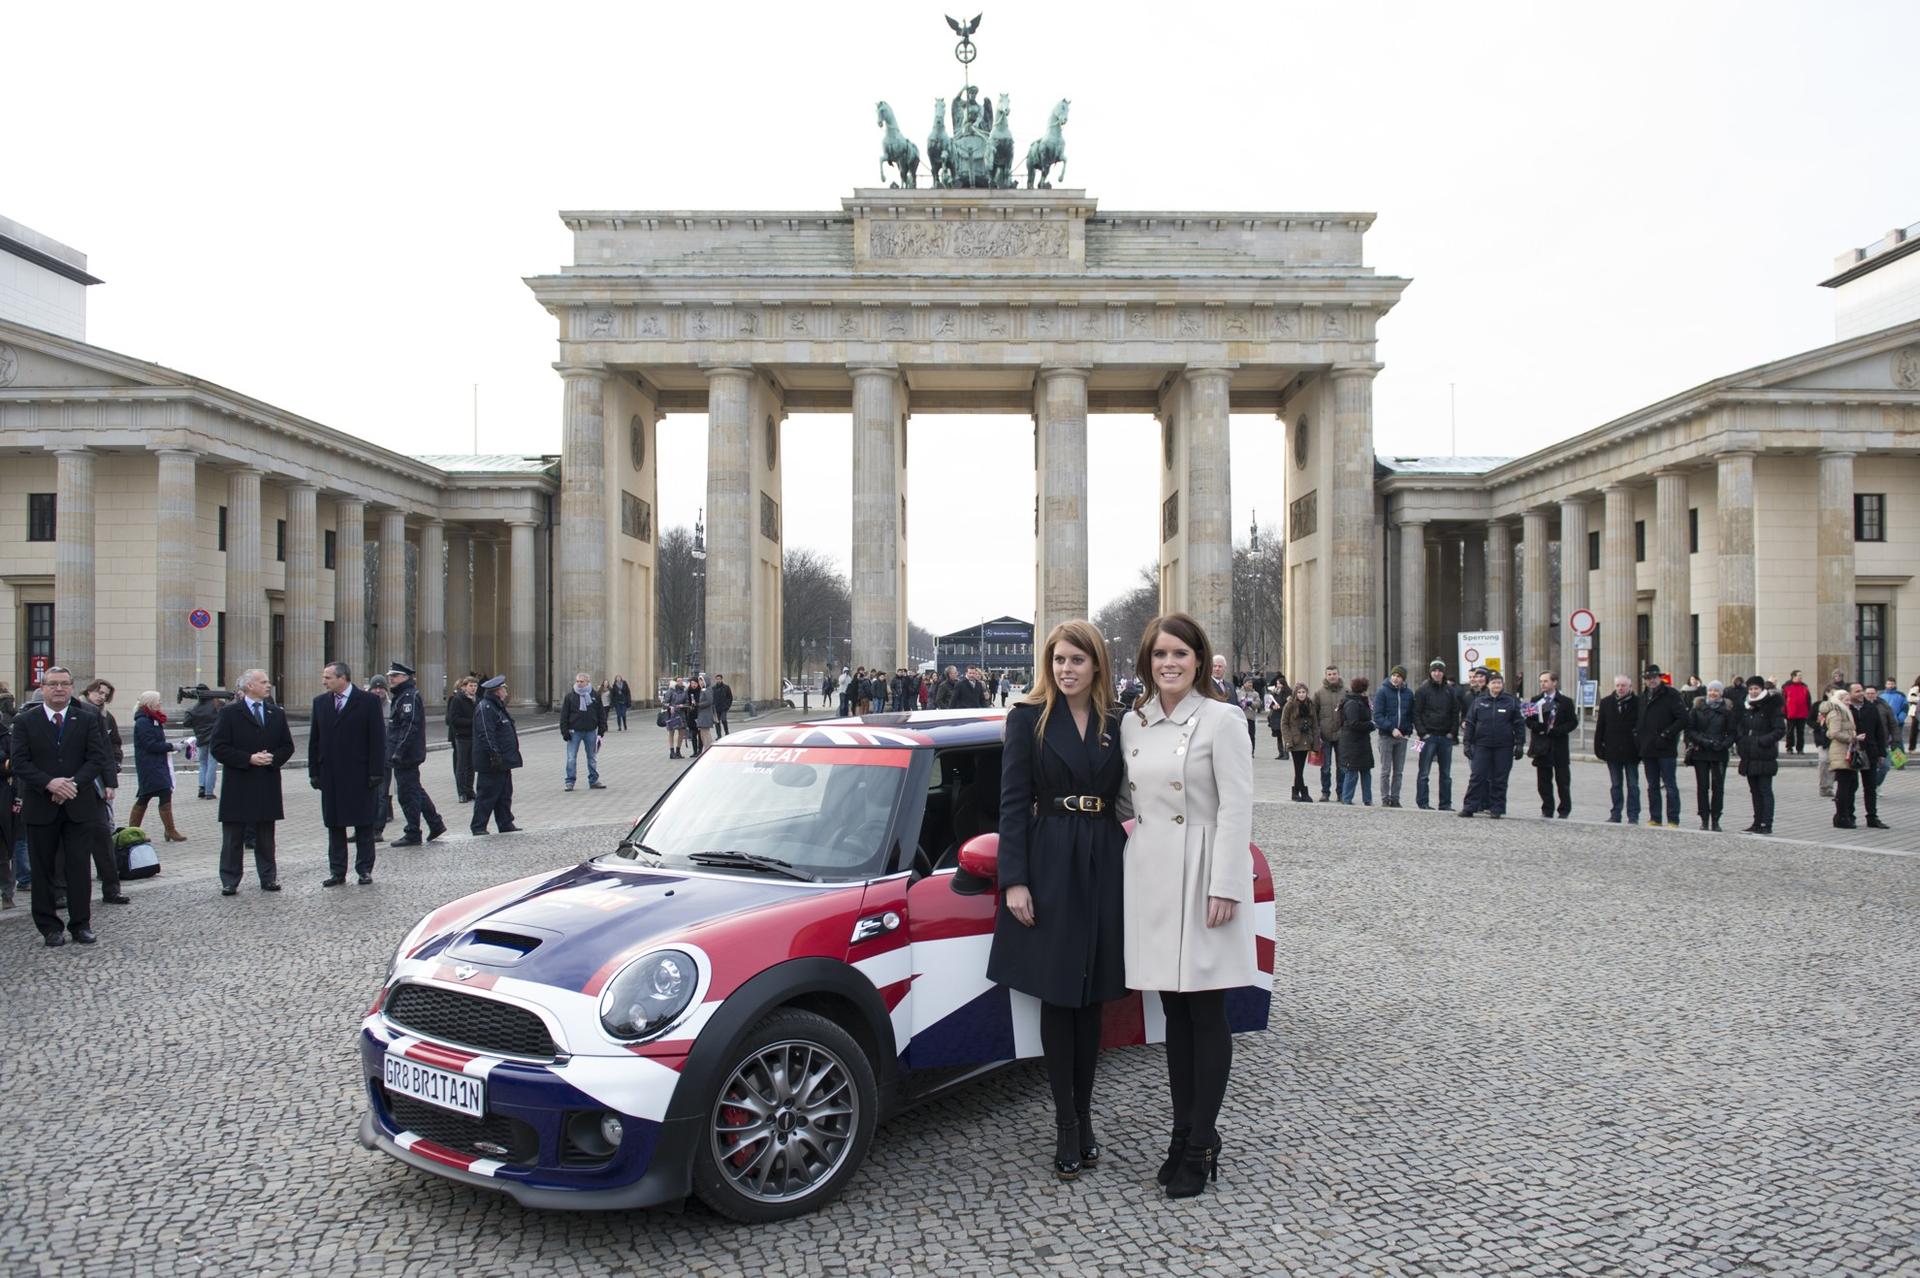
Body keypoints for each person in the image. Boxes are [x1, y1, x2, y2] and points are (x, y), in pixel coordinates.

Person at [1118, 612, 1254, 1199]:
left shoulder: (1223, 719)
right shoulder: (1133, 722)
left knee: (1206, 1012)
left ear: (1199, 659)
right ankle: (1181, 1133)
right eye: (1158, 655)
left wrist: (1225, 883)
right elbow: (1128, 800)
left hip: (1203, 873)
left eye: (1179, 653)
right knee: (1172, 1014)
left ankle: (1200, 1142)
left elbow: (1237, 807)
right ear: (1146, 662)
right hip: (1152, 871)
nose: (1168, 664)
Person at [989, 619, 1126, 1182]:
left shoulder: (1119, 722)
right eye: (1058, 660)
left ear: (1096, 664)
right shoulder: (1026, 718)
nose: (1065, 670)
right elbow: (1013, 803)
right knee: (1060, 997)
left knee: (1092, 998)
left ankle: (1086, 1116)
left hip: (1104, 857)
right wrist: (1014, 879)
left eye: (1076, 660)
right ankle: (1066, 1123)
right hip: (1048, 861)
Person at [9, 666, 113, 945]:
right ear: (42, 688)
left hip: (78, 805)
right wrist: (50, 784)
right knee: (42, 869)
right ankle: (49, 927)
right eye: (52, 684)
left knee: (79, 867)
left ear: (71, 687)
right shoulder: (25, 721)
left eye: (64, 684)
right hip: (41, 805)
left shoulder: (86, 718)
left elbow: (96, 758)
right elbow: (19, 762)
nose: (58, 689)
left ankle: (81, 924)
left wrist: (71, 785)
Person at [209, 669, 294, 896]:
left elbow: (287, 745)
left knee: (266, 835)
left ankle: (268, 877)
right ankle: (230, 879)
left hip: (266, 781)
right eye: (263, 682)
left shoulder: (275, 713)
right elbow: (218, 747)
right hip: (239, 782)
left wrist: (273, 759)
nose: (268, 685)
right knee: (233, 836)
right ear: (249, 686)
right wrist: (248, 759)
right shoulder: (230, 713)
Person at [309, 662, 386, 885]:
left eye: (328, 678)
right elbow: (315, 740)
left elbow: (377, 739)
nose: (324, 682)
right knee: (334, 825)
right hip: (331, 775)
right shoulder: (321, 703)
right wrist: (314, 771)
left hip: (360, 774)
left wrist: (376, 771)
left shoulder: (368, 701)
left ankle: (364, 869)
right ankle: (337, 871)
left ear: (343, 678)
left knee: (363, 824)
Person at [383, 662, 446, 848]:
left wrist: (399, 751)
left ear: (405, 677)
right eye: (390, 676)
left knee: (407, 794)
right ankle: (435, 823)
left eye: (394, 676)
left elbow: (409, 726)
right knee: (416, 790)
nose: (391, 679)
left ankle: (413, 831)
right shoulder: (402, 695)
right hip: (404, 753)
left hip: (406, 755)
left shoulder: (408, 696)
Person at [80, 677, 128, 902]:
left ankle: (111, 886)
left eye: (105, 694)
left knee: (103, 834)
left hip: (98, 784)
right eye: (99, 692)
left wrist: (111, 776)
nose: (102, 696)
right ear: (89, 692)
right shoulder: (81, 712)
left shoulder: (106, 717)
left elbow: (110, 748)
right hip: (78, 782)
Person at [1459, 671, 1523, 818]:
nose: (1497, 685)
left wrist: (1519, 744)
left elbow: (1518, 724)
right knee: (1477, 776)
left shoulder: (1510, 701)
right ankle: (1469, 807)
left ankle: (1497, 808)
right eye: (1494, 682)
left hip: (1504, 746)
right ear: (1488, 685)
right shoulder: (1479, 701)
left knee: (1500, 778)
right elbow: (1470, 723)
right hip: (1482, 744)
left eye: (1499, 683)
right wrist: (1467, 743)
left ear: (1502, 685)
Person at [127, 691, 187, 843]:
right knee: (145, 796)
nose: (160, 704)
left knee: (164, 792)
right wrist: (172, 746)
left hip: (157, 763)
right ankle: (133, 832)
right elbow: (150, 744)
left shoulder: (152, 719)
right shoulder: (143, 721)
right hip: (149, 765)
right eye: (158, 701)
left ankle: (170, 830)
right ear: (150, 703)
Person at [1635, 667, 1687, 827]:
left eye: (1654, 677)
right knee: (1652, 786)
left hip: (1666, 748)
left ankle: (1673, 819)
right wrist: (1638, 738)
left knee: (1670, 785)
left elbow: (1683, 719)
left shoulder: (1671, 695)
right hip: (1648, 748)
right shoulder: (1643, 697)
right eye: (1648, 678)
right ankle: (1655, 817)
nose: (1652, 680)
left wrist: (1667, 734)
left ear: (1660, 678)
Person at [472, 675, 523, 834]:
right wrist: (494, 754)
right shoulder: (486, 707)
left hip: (503, 760)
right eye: (504, 689)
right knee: (487, 795)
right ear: (497, 691)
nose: (506, 692)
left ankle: (505, 823)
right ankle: (479, 826)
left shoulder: (496, 706)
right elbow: (486, 733)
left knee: (504, 794)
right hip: (492, 761)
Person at [1683, 680, 1736, 831]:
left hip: (1719, 753)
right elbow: (1690, 730)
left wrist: (1724, 744)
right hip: (1702, 752)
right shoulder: (1697, 708)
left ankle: (1716, 818)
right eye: (1711, 690)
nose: (1713, 693)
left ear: (1721, 693)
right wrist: (1704, 741)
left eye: (1716, 691)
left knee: (1718, 787)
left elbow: (1732, 732)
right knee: (1702, 786)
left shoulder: (1727, 710)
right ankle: (1704, 818)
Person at [1735, 676, 1785, 834]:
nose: (1753, 691)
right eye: (1750, 689)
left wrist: (1762, 741)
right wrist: (1742, 740)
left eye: (1756, 688)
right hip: (1749, 754)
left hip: (1764, 754)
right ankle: (1757, 821)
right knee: (1754, 790)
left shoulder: (1771, 706)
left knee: (1765, 789)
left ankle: (1766, 823)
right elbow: (1740, 727)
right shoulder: (1746, 706)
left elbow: (1779, 730)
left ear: (1762, 689)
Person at [1525, 672, 1577, 820]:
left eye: (1546, 681)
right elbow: (1528, 720)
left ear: (1554, 682)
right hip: (1542, 746)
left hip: (1559, 745)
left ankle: (1564, 809)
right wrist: (1538, 726)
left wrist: (1558, 730)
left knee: (1563, 781)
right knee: (1543, 781)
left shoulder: (1565, 701)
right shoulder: (1535, 700)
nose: (1543, 684)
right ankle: (1547, 808)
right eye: (1541, 681)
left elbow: (1573, 722)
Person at [1412, 660, 1461, 811]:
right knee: (1424, 773)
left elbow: (1455, 713)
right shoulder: (1422, 690)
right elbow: (1416, 713)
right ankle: (1423, 802)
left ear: (1443, 672)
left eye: (1440, 671)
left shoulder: (1450, 690)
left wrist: (1452, 732)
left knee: (1446, 774)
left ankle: (1445, 803)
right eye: (1434, 671)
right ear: (1430, 672)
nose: (1437, 673)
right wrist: (1422, 733)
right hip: (1428, 736)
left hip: (1445, 737)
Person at [1593, 675, 1642, 824]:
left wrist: (1640, 747)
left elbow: (1641, 727)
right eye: (1618, 685)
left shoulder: (1638, 703)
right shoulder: (1607, 702)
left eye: (1623, 686)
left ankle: (1633, 815)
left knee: (1633, 785)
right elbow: (1600, 727)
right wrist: (1598, 747)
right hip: (1613, 750)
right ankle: (1616, 813)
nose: (1620, 688)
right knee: (1616, 784)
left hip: (1631, 750)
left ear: (1630, 687)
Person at [1824, 684, 1873, 830]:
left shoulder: (1845, 712)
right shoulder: (1836, 713)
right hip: (1840, 753)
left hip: (1847, 751)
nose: (1849, 702)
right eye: (1846, 700)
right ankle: (1841, 817)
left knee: (1851, 785)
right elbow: (1833, 733)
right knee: (1845, 787)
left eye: (1848, 700)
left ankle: (1844, 815)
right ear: (1839, 700)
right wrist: (1853, 738)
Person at [1372, 666, 1414, 809]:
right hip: (1386, 736)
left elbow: (1410, 714)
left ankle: (1395, 798)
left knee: (1399, 770)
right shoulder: (1382, 692)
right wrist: (1391, 728)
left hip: (1402, 737)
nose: (1396, 678)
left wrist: (1408, 729)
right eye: (1394, 675)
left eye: (1399, 676)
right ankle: (1385, 798)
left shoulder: (1408, 693)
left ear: (1403, 679)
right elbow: (1377, 715)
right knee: (1386, 770)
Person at [560, 671, 608, 791]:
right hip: (574, 731)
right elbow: (564, 715)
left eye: (581, 681)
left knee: (592, 757)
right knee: (571, 758)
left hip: (590, 731)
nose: (579, 683)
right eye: (577, 681)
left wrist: (602, 729)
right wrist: (564, 731)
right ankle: (570, 781)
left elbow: (600, 713)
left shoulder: (595, 695)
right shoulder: (570, 696)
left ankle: (593, 780)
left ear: (587, 682)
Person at [1336, 677, 1376, 805]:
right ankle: (1347, 798)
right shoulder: (1352, 703)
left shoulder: (1361, 701)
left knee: (1366, 771)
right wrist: (1371, 725)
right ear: (1362, 690)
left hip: (1362, 742)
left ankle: (1367, 799)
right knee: (1352, 772)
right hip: (1352, 743)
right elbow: (1353, 723)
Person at [1311, 666, 1345, 802]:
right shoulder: (1319, 693)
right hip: (1324, 735)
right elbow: (1313, 713)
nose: (1332, 676)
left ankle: (1341, 792)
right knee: (1325, 767)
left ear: (1338, 675)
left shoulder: (1345, 692)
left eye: (1334, 674)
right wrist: (1317, 731)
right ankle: (1325, 792)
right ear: (1326, 676)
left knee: (1342, 766)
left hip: (1342, 735)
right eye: (1329, 674)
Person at [185, 683, 225, 799]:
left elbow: (186, 722)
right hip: (215, 738)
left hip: (201, 738)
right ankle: (209, 792)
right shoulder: (217, 705)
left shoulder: (194, 708)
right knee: (212, 764)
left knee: (203, 764)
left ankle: (202, 787)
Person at [1280, 683, 1317, 801]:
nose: (1301, 695)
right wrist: (1288, 740)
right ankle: (1303, 792)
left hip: (1306, 740)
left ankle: (1296, 791)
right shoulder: (1290, 705)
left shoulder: (1310, 705)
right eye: (1299, 692)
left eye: (1303, 692)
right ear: (1295, 693)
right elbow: (1284, 723)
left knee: (1300, 768)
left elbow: (1315, 724)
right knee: (1298, 768)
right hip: (1295, 741)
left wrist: (1315, 742)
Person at [446, 676, 478, 803]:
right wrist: (473, 722)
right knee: (461, 765)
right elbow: (453, 719)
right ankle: (462, 792)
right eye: (471, 686)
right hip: (462, 736)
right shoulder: (457, 700)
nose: (473, 688)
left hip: (473, 736)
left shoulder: (477, 700)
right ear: (465, 686)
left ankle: (470, 790)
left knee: (472, 766)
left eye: (475, 686)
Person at [1866, 684, 1898, 789]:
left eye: (1872, 693)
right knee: (1869, 767)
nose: (1870, 695)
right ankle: (1871, 787)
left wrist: (1895, 739)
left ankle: (1875, 785)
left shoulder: (1884, 706)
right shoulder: (1860, 706)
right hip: (1867, 742)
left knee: (1885, 766)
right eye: (1868, 693)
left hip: (1882, 742)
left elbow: (1893, 724)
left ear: (1876, 694)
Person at [1781, 670, 1812, 754]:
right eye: (1799, 675)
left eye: (1801, 675)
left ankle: (1800, 749)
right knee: (1790, 732)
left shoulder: (1805, 687)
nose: (1801, 677)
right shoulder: (1786, 687)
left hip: (1802, 713)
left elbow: (1808, 700)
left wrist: (1809, 712)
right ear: (1793, 676)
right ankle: (1789, 748)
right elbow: (1783, 701)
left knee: (1800, 732)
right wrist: (1784, 713)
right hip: (1791, 713)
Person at [665, 678, 688, 758]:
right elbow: (665, 703)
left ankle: (678, 751)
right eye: (678, 681)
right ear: (675, 682)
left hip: (681, 714)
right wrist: (670, 707)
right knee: (671, 732)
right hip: (672, 714)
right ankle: (672, 752)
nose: (680, 682)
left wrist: (683, 705)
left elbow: (687, 703)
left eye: (681, 681)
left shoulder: (685, 692)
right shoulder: (670, 691)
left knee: (681, 732)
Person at [710, 674, 733, 738]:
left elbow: (730, 697)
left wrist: (727, 706)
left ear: (722, 679)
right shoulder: (713, 688)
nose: (718, 680)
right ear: (715, 680)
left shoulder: (726, 687)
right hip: (716, 708)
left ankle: (727, 732)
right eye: (717, 679)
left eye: (719, 679)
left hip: (723, 708)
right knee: (717, 723)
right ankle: (719, 735)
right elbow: (712, 698)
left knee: (724, 720)